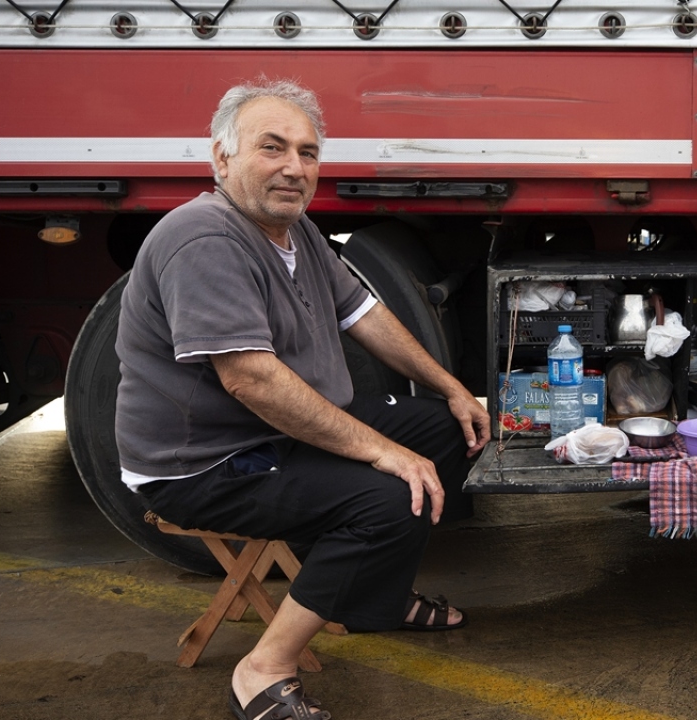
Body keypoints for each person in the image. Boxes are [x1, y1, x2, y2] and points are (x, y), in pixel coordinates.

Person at [114, 78, 490, 720]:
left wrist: (452, 387)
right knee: (389, 496)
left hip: (274, 434)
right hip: (206, 462)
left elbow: (365, 314)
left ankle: (378, 591)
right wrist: (384, 453)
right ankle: (262, 670)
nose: (295, 167)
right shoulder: (206, 238)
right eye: (272, 148)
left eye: (308, 153)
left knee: (451, 433)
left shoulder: (297, 232)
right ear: (221, 158)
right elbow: (251, 380)